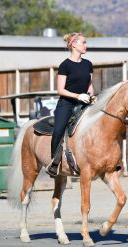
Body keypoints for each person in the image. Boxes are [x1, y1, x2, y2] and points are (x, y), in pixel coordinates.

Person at [46, 32, 95, 178]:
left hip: (84, 102)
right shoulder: (64, 65)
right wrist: (78, 96)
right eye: (83, 42)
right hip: (66, 104)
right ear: (74, 44)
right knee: (59, 128)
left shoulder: (88, 64)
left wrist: (92, 96)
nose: (86, 45)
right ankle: (54, 162)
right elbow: (60, 90)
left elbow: (89, 85)